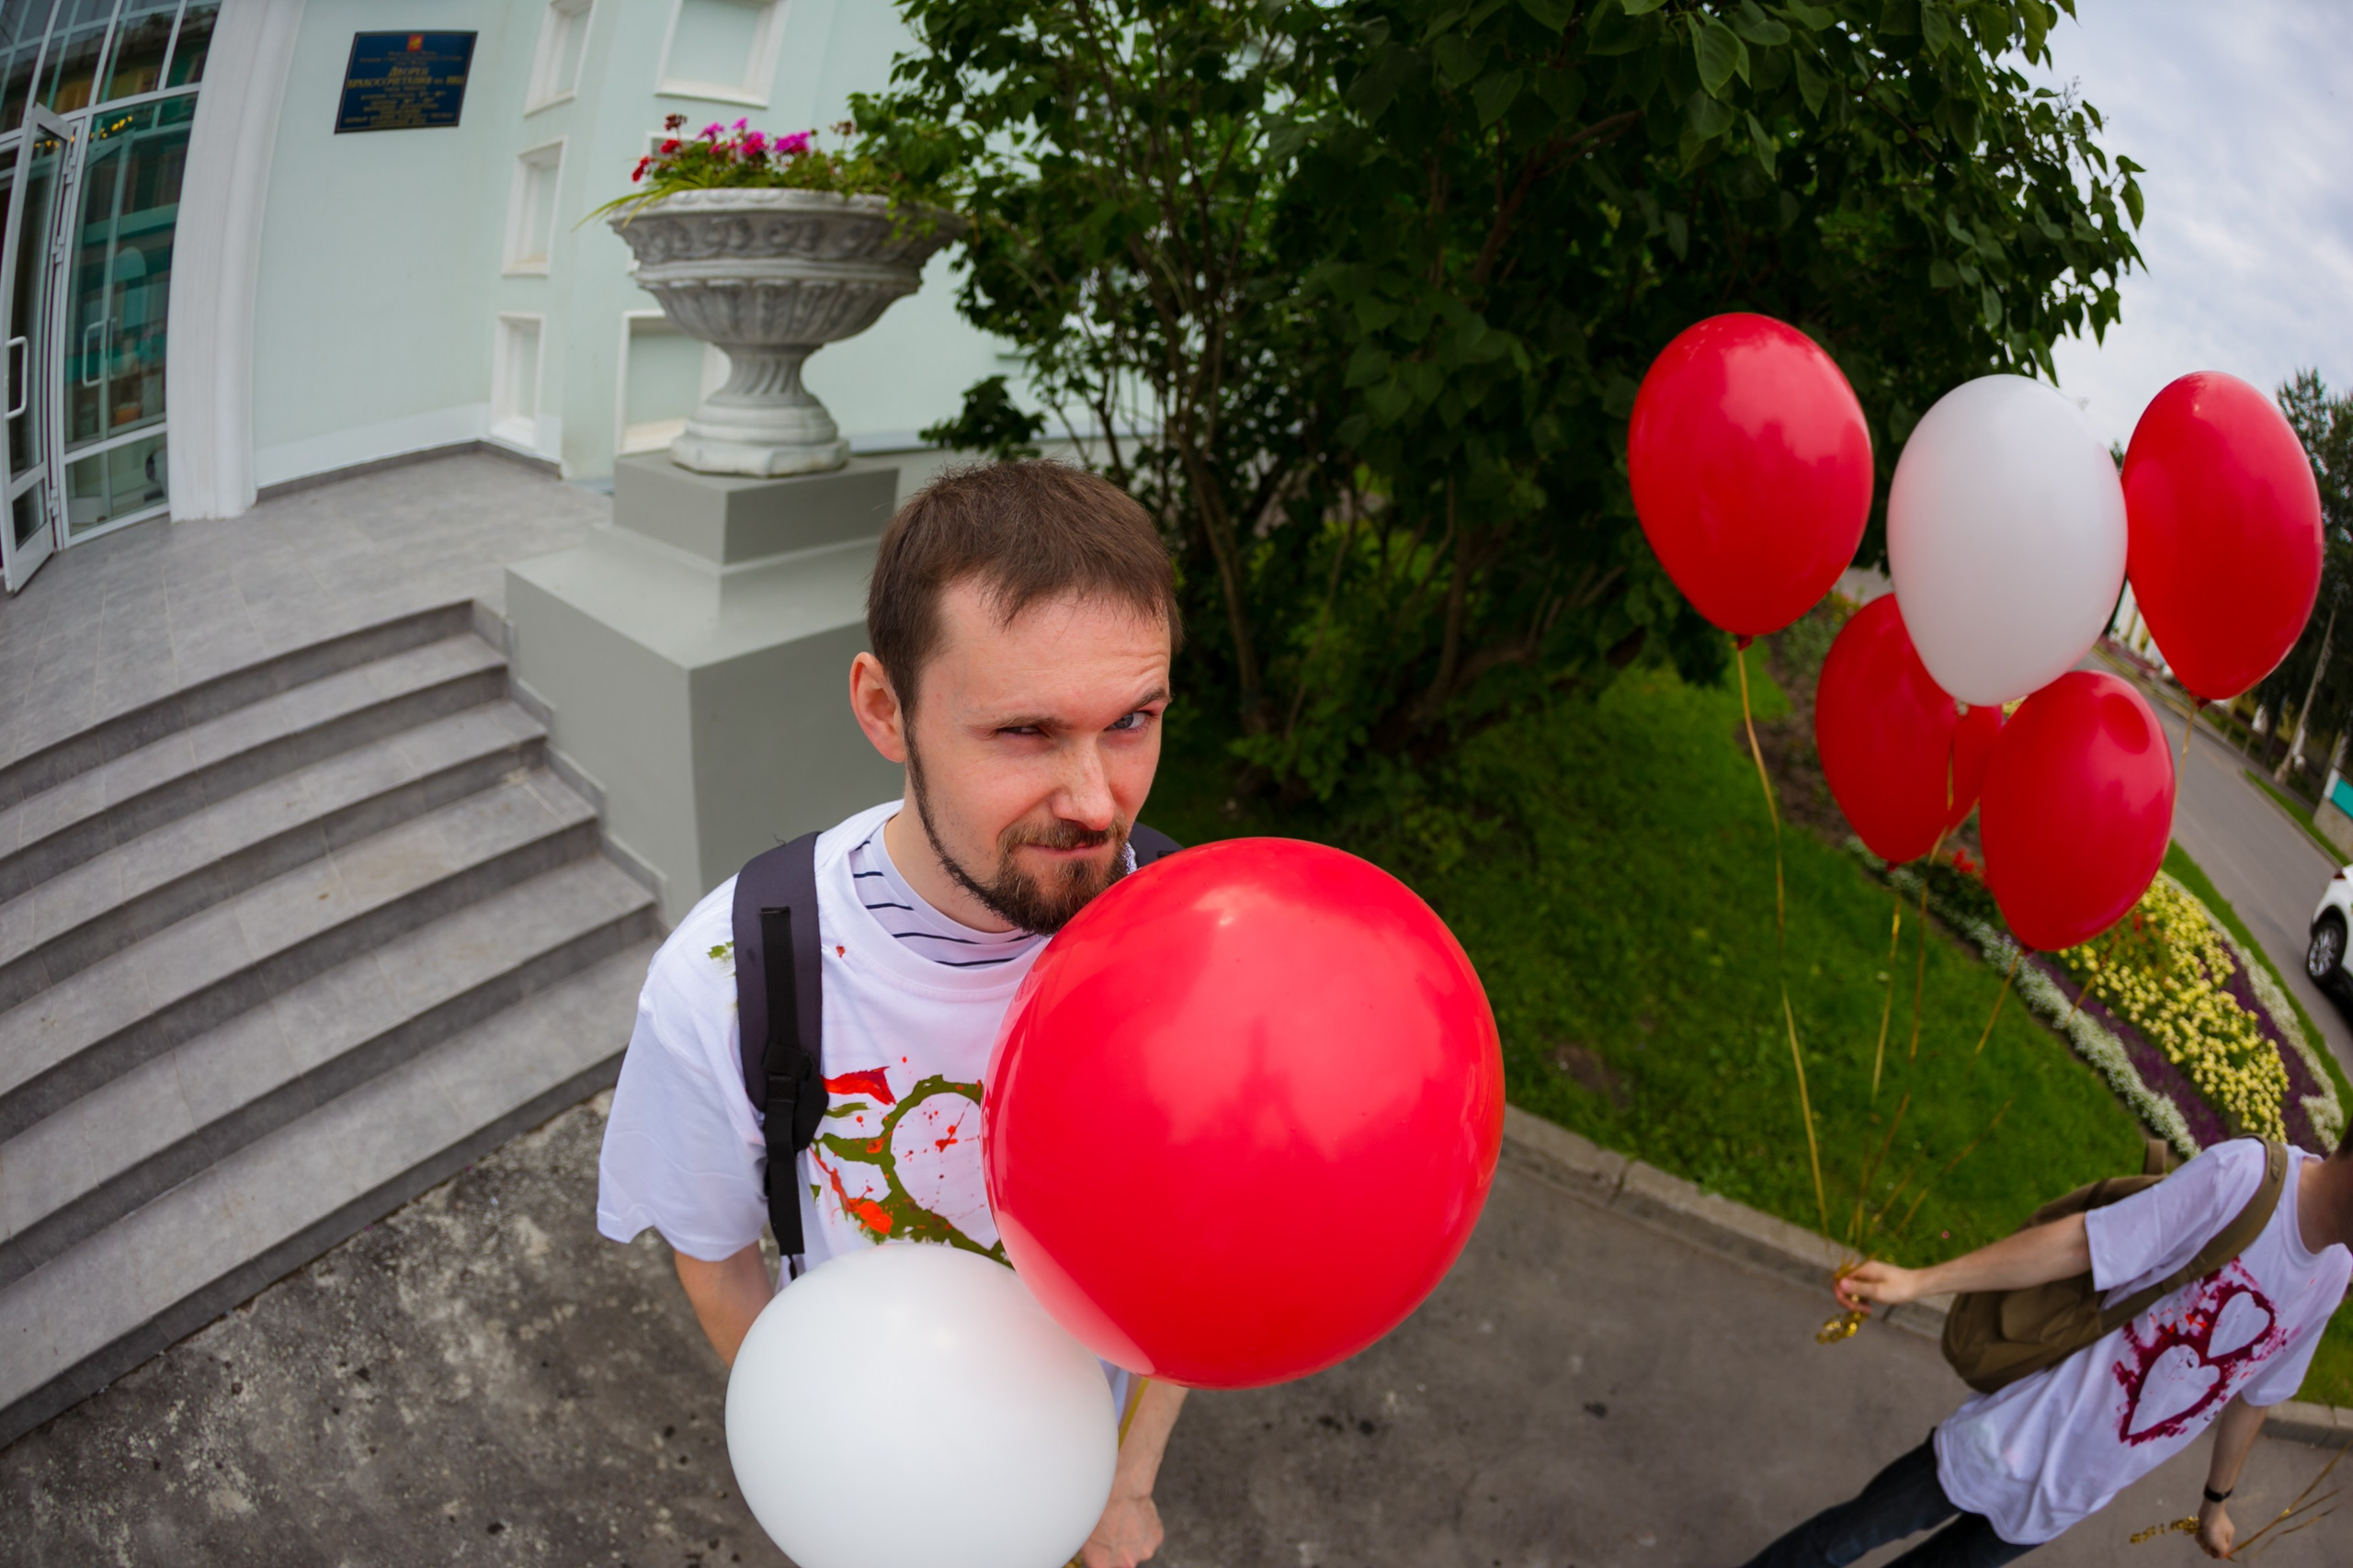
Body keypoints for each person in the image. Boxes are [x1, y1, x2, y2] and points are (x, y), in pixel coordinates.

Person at [596, 460, 1188, 1568]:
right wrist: (829, 1463)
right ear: (884, 707)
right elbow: (716, 1256)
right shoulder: (731, 977)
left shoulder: (1181, 942)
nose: (1098, 800)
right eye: (1024, 731)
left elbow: (1213, 1241)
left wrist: (1126, 1470)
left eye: (1132, 719)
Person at [1737, 1129, 2353, 1568]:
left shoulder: (2332, 1276)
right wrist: (1921, 1281)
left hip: (2080, 1487)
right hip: (2014, 1434)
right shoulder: (2244, 1178)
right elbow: (2086, 1245)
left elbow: (2257, 1392)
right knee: (1839, 1543)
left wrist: (2215, 1502)